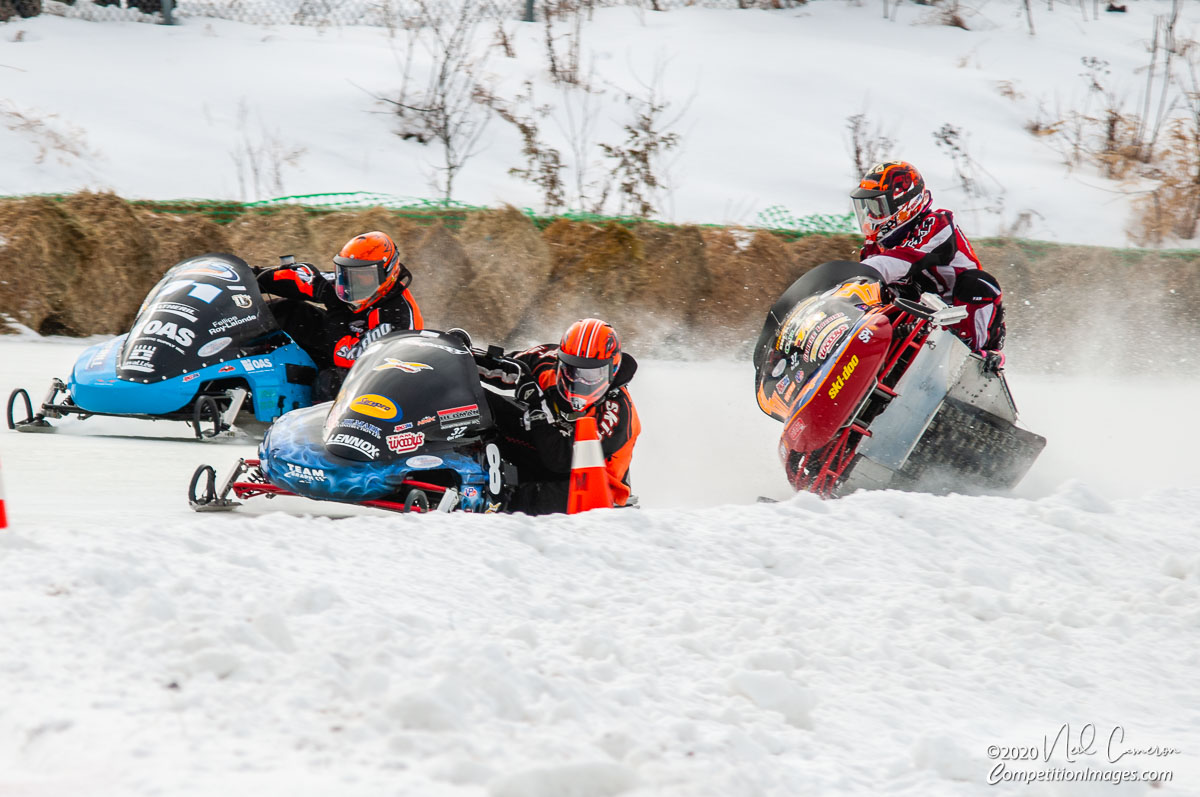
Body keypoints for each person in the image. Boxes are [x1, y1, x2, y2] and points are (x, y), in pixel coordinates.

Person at [850, 161, 1007, 371]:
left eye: (876, 207)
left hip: (963, 318)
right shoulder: (873, 248)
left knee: (977, 283)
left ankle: (975, 358)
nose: (870, 216)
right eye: (866, 208)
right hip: (915, 326)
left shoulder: (937, 224)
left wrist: (855, 276)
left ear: (904, 203)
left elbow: (899, 261)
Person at [475, 318, 641, 515]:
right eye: (572, 370)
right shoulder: (546, 362)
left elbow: (562, 459)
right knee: (483, 403)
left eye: (591, 374)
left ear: (611, 370)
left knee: (521, 501)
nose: (579, 380)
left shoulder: (616, 412)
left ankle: (490, 504)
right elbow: (501, 367)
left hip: (591, 487)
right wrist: (458, 354)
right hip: (549, 444)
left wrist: (537, 408)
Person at [256, 231, 424, 399]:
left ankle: (318, 421)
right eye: (347, 272)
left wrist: (336, 307)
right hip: (339, 339)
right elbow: (302, 280)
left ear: (388, 273)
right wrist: (248, 276)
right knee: (287, 310)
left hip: (375, 378)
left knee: (331, 381)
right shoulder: (348, 281)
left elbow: (344, 354)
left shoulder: (398, 317)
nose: (353, 281)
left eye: (364, 275)